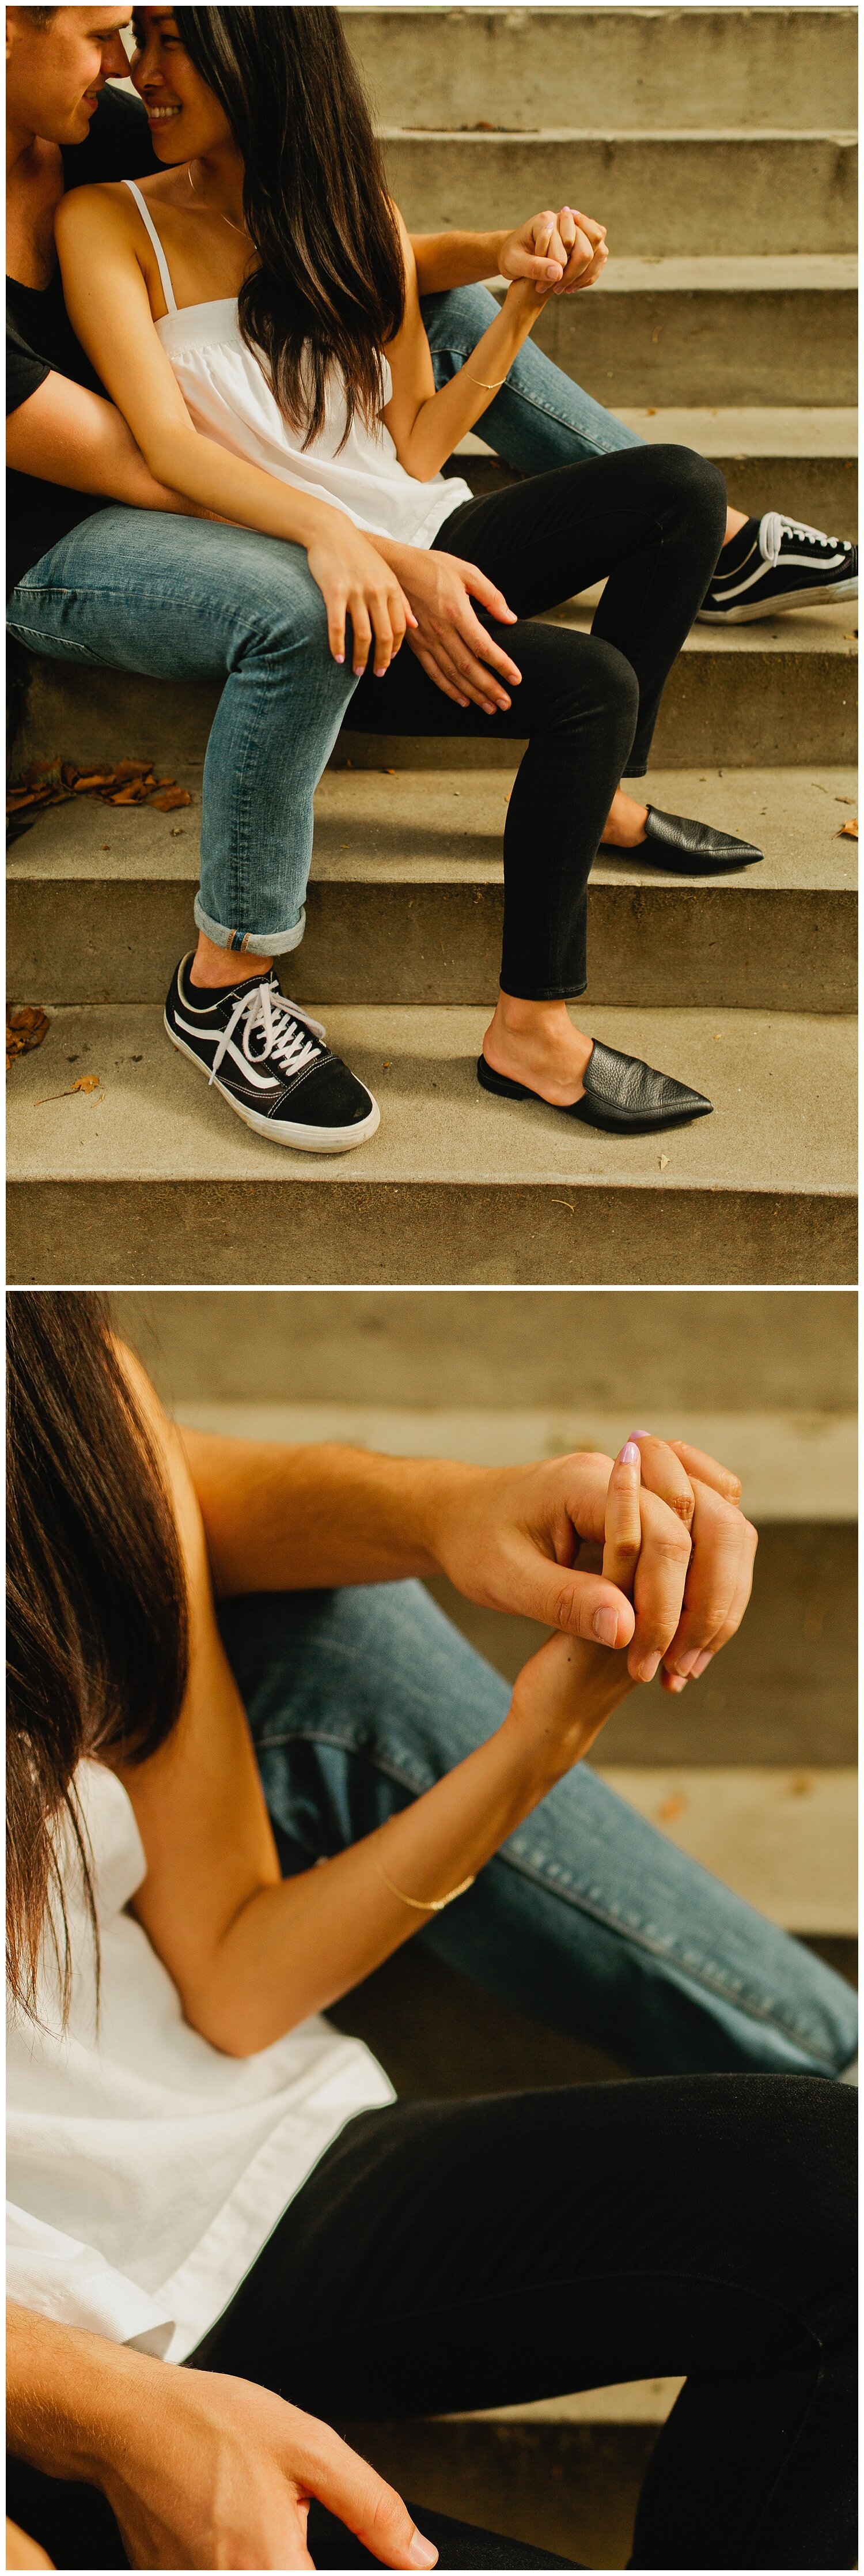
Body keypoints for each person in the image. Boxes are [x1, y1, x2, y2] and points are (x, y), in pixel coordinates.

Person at [6, 1294, 857, 2571]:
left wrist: (543, 1738)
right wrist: (110, 2413)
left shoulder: (58, 1397)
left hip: (203, 2183)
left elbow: (235, 1970)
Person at [7, 11, 855, 1152]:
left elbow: (408, 435)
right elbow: (143, 451)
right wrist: (360, 550)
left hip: (387, 528)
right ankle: (317, 999)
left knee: (679, 489)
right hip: (223, 558)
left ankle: (600, 796)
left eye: (158, 38)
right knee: (572, 677)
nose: (133, 70)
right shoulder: (109, 211)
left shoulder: (132, 135)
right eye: (119, 35)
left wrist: (514, 285)